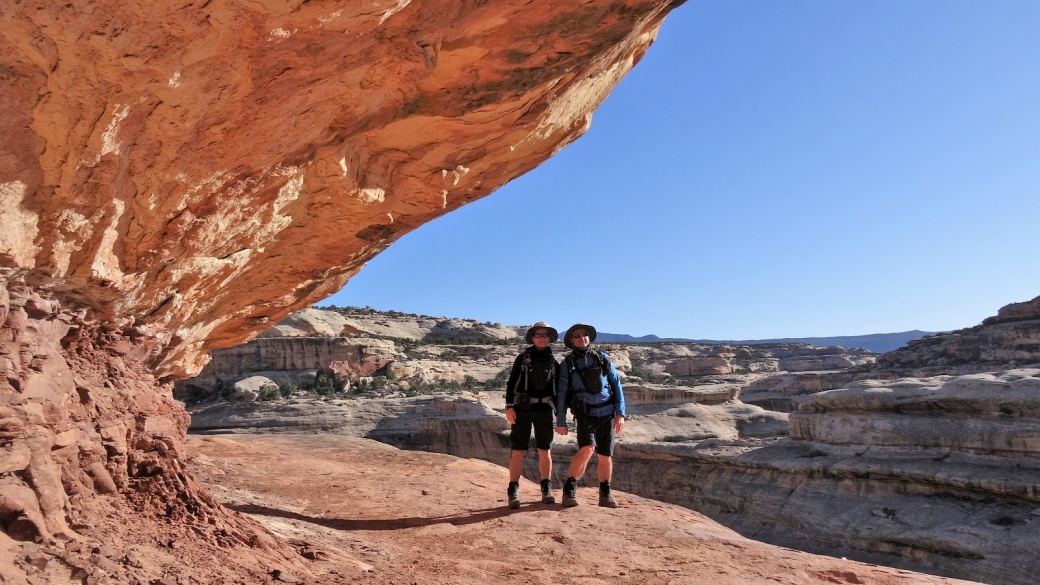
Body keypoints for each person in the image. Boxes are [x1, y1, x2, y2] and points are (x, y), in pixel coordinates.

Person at [555, 323, 626, 508]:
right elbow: (562, 393)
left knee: (605, 455)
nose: (582, 338)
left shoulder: (602, 358)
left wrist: (620, 413)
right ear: (571, 340)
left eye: (584, 335)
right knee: (587, 449)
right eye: (577, 336)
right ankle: (569, 488)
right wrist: (560, 421)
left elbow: (616, 385)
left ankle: (605, 494)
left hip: (607, 412)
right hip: (585, 413)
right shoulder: (567, 364)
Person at [504, 322, 560, 508]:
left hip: (544, 409)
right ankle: (513, 490)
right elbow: (512, 383)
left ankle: (546, 488)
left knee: (545, 449)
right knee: (518, 449)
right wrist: (509, 406)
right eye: (539, 334)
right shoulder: (522, 358)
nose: (542, 337)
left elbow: (559, 390)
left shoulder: (554, 362)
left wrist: (560, 414)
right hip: (523, 409)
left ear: (550, 338)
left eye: (545, 335)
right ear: (533, 338)